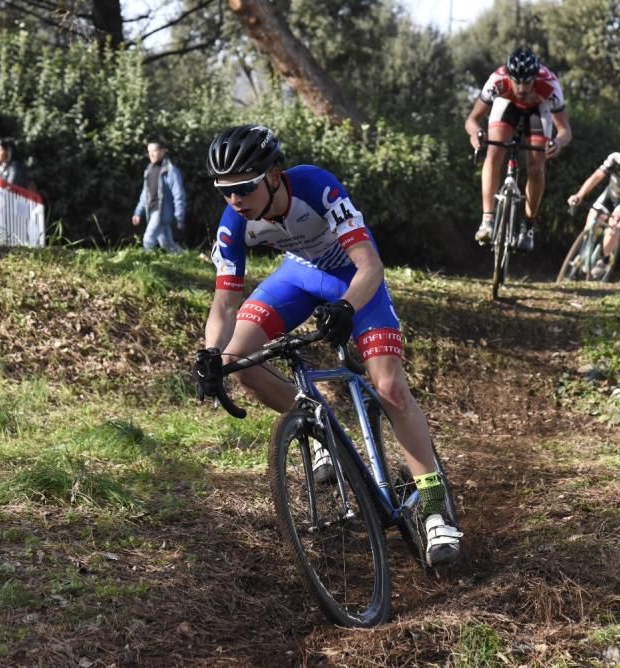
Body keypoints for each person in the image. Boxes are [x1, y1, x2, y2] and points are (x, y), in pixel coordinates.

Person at [192, 125, 462, 566]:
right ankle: (316, 422)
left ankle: (435, 506)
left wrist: (347, 308)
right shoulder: (233, 223)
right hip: (297, 277)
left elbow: (370, 264)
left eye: (243, 187)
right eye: (224, 191)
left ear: (274, 175)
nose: (235, 199)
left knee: (390, 387)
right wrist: (209, 355)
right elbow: (225, 303)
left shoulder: (316, 186)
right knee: (237, 361)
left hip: (353, 280)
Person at [464, 46, 573, 252]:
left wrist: (557, 142)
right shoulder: (497, 81)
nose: (522, 89)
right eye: (517, 82)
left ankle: (528, 226)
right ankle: (487, 220)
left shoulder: (550, 85)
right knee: (494, 153)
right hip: (506, 106)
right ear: (509, 76)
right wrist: (476, 134)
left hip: (538, 111)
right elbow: (472, 120)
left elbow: (565, 131)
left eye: (527, 82)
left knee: (536, 166)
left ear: (536, 78)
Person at [567, 140, 620, 279]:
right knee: (591, 219)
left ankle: (604, 259)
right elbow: (596, 176)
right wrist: (580, 194)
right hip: (609, 196)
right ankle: (583, 252)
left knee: (613, 226)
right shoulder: (614, 159)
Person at [131, 140, 186, 252]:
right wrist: (138, 212)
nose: (151, 154)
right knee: (167, 244)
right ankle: (184, 259)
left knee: (148, 239)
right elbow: (144, 194)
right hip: (150, 211)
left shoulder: (171, 171)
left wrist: (179, 217)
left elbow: (179, 195)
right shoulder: (149, 170)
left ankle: (149, 267)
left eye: (154, 150)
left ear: (163, 151)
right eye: (149, 151)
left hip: (161, 212)